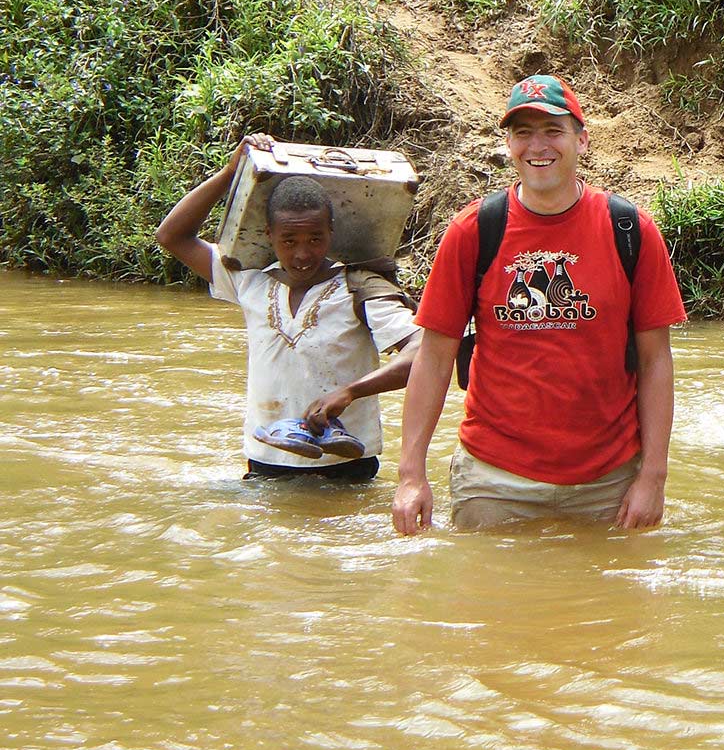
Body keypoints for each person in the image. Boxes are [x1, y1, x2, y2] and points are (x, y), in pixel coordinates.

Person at [391, 74, 686, 534]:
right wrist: (411, 475)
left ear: (581, 140)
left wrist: (653, 476)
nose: (538, 146)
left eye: (553, 131)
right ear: (508, 144)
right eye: (523, 132)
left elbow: (655, 361)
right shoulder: (474, 231)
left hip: (608, 481)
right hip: (492, 479)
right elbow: (434, 356)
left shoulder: (630, 230)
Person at [156, 134, 421, 481]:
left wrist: (351, 392)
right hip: (265, 462)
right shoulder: (250, 282)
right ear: (269, 235)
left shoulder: (359, 288)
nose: (302, 254)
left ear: (331, 232)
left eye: (315, 239)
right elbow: (171, 236)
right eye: (289, 241)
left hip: (344, 468)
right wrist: (232, 171)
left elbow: (421, 353)